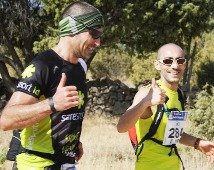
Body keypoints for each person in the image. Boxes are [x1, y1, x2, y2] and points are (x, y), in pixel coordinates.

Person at [0, 1, 104, 170]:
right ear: (72, 28)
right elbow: (6, 119)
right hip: (36, 165)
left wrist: (72, 141)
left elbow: (64, 117)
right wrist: (52, 104)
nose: (98, 42)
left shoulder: (81, 66)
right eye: (94, 34)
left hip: (66, 164)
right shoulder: (43, 65)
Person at [117, 43, 214, 170]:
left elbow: (172, 135)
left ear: (185, 65)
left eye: (180, 61)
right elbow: (121, 127)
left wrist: (198, 143)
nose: (175, 66)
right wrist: (146, 102)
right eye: (168, 61)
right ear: (157, 65)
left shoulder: (178, 94)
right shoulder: (148, 92)